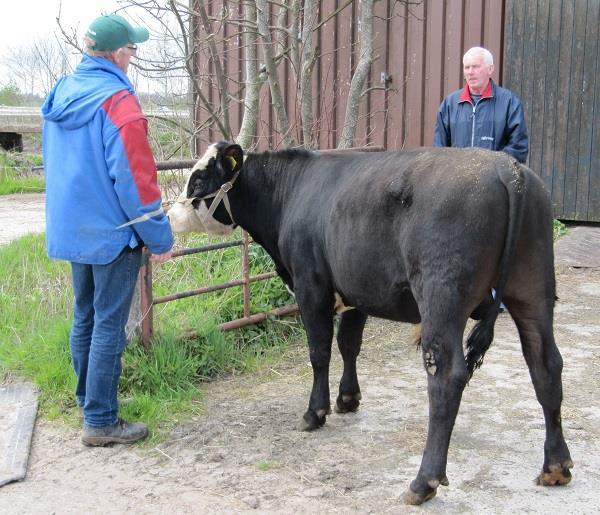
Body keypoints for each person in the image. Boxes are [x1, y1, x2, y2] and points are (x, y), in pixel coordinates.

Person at [42, 14, 173, 446]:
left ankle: (89, 403)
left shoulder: (62, 92)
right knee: (109, 326)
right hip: (113, 231)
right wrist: (159, 236)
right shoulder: (119, 103)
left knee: (85, 316)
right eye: (133, 49)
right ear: (118, 53)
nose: (133, 56)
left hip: (73, 227)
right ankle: (100, 421)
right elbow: (136, 180)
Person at [433, 46, 528, 163]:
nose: (470, 72)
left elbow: (519, 149)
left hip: (494, 179)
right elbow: (439, 150)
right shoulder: (449, 104)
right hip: (458, 179)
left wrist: (489, 167)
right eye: (467, 67)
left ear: (490, 69)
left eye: (476, 66)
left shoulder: (509, 102)